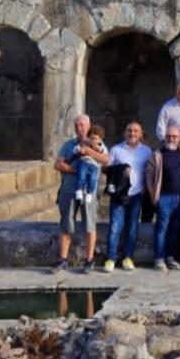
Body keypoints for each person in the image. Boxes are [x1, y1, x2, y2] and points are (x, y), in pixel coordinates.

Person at [53, 114, 110, 273]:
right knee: (66, 224)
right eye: (76, 125)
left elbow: (106, 160)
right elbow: (58, 164)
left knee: (90, 224)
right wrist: (76, 171)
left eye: (82, 125)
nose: (79, 128)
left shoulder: (97, 142)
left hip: (89, 192)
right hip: (70, 189)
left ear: (89, 125)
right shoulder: (68, 144)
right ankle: (62, 259)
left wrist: (89, 150)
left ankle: (89, 260)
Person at [104, 120, 152, 272]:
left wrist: (146, 187)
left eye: (136, 131)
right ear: (125, 133)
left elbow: (149, 171)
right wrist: (120, 169)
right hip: (119, 195)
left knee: (132, 228)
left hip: (137, 194)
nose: (132, 133)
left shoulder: (147, 151)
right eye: (129, 130)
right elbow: (106, 169)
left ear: (140, 134)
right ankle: (111, 258)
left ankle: (127, 258)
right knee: (115, 227)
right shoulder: (116, 150)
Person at [145, 125, 180, 271]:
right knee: (162, 228)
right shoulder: (157, 154)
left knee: (174, 228)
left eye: (174, 136)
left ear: (179, 138)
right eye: (169, 136)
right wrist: (152, 194)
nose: (171, 139)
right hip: (163, 197)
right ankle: (159, 258)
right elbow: (149, 176)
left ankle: (170, 256)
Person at [71, 124, 107, 204]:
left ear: (100, 139)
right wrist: (79, 150)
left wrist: (96, 149)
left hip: (94, 165)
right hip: (84, 162)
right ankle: (79, 190)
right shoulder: (84, 144)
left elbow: (105, 158)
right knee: (81, 175)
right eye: (92, 138)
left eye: (96, 139)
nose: (93, 140)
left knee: (93, 179)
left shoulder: (102, 147)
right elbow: (76, 149)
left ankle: (89, 193)